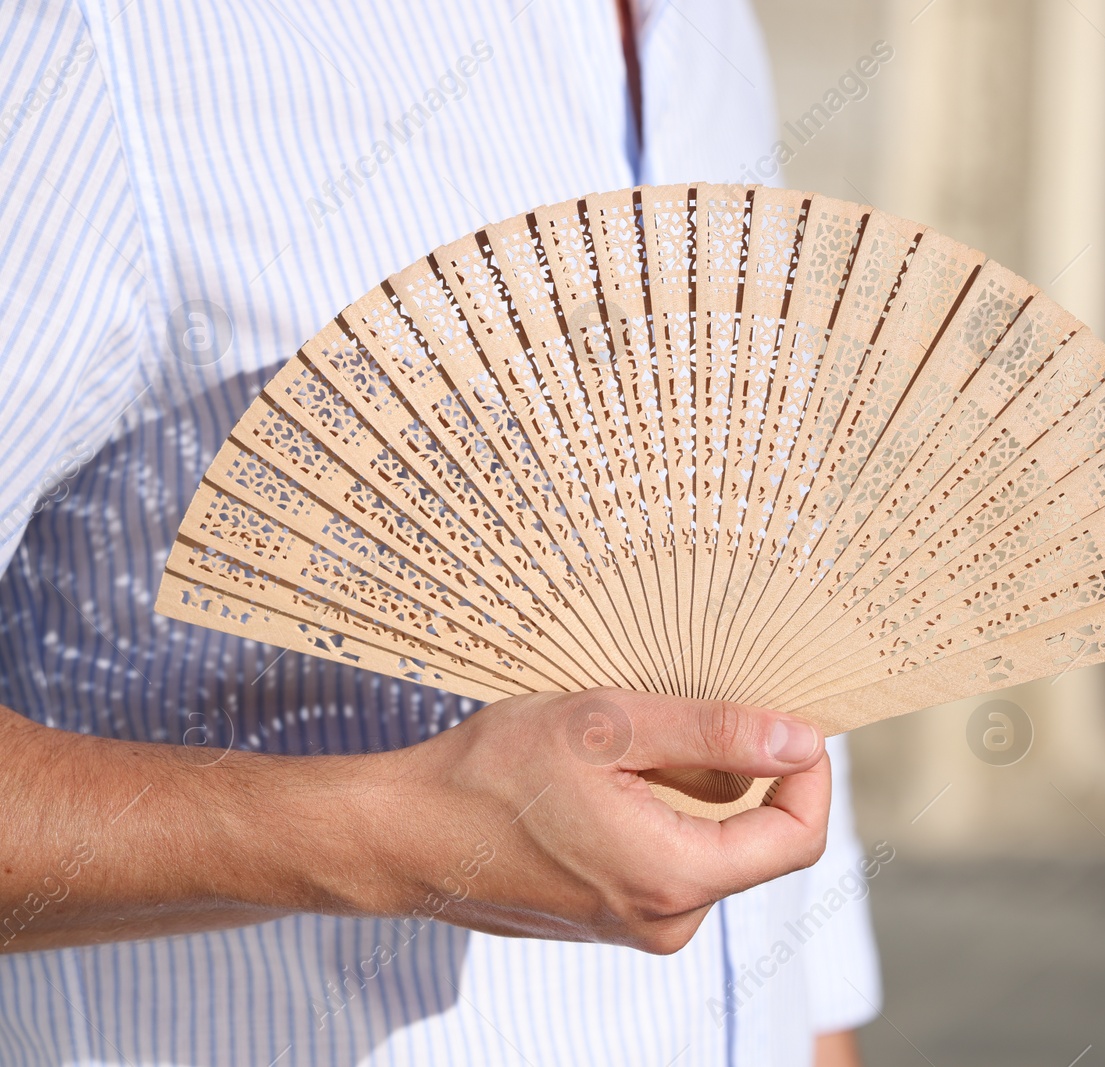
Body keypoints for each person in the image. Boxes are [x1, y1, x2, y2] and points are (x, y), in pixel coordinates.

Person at [0, 1, 881, 1064]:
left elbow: (764, 655)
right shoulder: (99, 38)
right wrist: (385, 836)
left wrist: (821, 1023)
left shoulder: (708, 30)